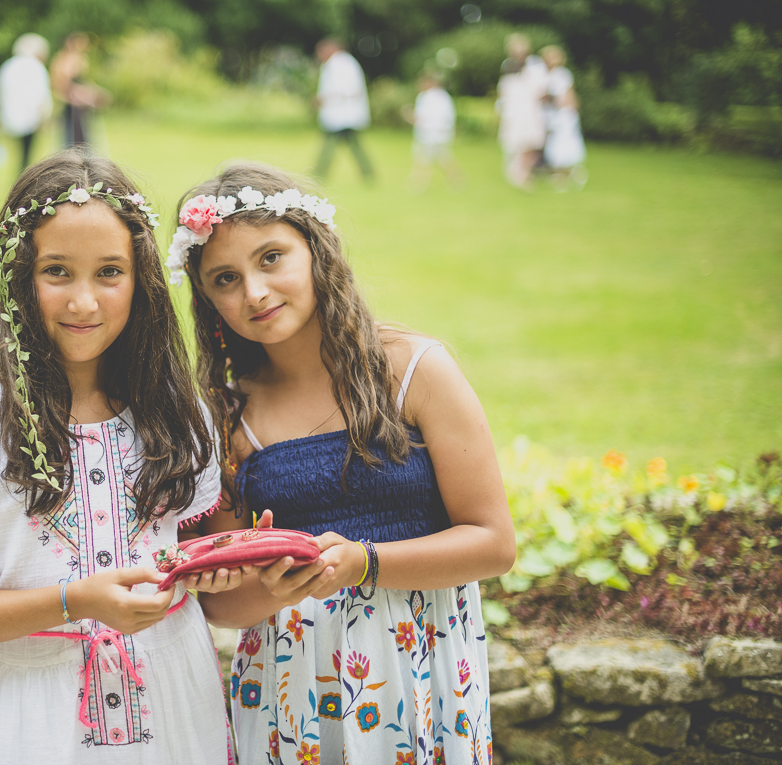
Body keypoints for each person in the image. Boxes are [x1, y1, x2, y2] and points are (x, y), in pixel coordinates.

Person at [0, 151, 238, 763]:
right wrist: (76, 600)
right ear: (20, 278)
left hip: (174, 711)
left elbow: (214, 575)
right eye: (57, 272)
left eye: (109, 272)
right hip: (28, 721)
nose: (83, 302)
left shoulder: (180, 414)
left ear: (142, 279)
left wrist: (247, 569)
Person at [164, 163, 516, 764]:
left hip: (419, 671)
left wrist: (364, 563)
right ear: (206, 298)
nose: (253, 292)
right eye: (226, 278)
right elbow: (224, 605)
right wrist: (270, 587)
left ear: (316, 251)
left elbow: (493, 544)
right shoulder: (226, 417)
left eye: (271, 258)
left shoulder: (413, 371)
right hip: (292, 684)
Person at [313, 38, 374, 182]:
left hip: (342, 115)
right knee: (353, 146)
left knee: (331, 145)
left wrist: (322, 99)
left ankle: (319, 173)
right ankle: (367, 173)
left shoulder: (339, 63)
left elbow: (341, 90)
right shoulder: (344, 62)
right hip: (342, 115)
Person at [495, 33, 547, 189]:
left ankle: (524, 172)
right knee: (514, 142)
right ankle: (517, 173)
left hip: (531, 110)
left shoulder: (536, 66)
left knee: (531, 142)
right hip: (513, 110)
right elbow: (504, 89)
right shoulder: (507, 65)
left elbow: (541, 89)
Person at [0, 33, 53, 174]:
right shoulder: (35, 67)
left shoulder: (7, 66)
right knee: (27, 157)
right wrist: (44, 117)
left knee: (22, 155)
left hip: (11, 119)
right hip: (30, 119)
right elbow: (40, 96)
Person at [405, 70, 464, 191]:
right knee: (440, 158)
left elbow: (426, 117)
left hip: (432, 134)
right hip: (434, 134)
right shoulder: (438, 96)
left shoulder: (431, 97)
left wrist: (411, 116)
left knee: (426, 159)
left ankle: (419, 184)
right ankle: (456, 180)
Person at [50, 32, 110, 149]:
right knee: (73, 139)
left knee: (83, 138)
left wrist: (94, 92)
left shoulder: (79, 58)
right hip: (73, 104)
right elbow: (64, 83)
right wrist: (83, 95)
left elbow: (82, 81)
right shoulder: (65, 59)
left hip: (80, 104)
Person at [540, 45, 587, 190]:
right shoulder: (544, 74)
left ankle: (565, 174)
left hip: (563, 114)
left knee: (563, 143)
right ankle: (559, 173)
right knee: (553, 144)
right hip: (550, 114)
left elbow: (567, 96)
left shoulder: (562, 74)